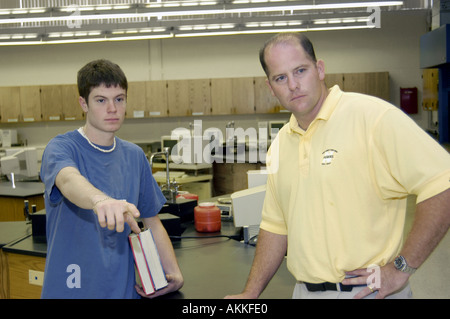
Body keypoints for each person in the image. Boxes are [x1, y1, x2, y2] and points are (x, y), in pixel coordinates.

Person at [226, 33, 450, 299]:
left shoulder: (373, 118)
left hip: (368, 292)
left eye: (300, 70)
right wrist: (250, 293)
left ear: (320, 69)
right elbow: (276, 226)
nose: (294, 85)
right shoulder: (281, 145)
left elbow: (442, 183)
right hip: (303, 292)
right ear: (270, 87)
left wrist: (402, 267)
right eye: (281, 78)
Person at [40, 59, 183, 298]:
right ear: (83, 103)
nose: (112, 108)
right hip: (71, 289)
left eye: (119, 99)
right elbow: (67, 180)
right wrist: (99, 201)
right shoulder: (61, 148)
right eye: (101, 100)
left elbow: (152, 222)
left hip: (122, 290)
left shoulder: (135, 156)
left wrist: (173, 272)